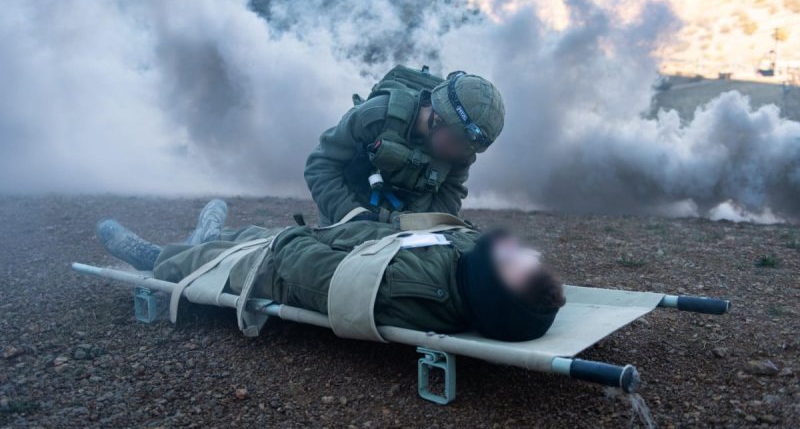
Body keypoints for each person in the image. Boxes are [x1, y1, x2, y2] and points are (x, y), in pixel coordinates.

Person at [95, 200, 565, 342]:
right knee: (249, 232)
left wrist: (292, 240)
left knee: (217, 260)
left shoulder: (419, 291)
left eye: (515, 261)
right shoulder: (469, 261)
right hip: (325, 239)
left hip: (278, 269)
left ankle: (154, 256)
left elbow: (315, 276)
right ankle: (208, 235)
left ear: (491, 290)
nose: (515, 249)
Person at [304, 65, 505, 225]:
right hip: (350, 216)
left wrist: (430, 228)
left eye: (466, 148)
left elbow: (451, 191)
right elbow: (320, 165)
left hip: (412, 229)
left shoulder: (464, 147)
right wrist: (351, 215)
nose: (458, 151)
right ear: (438, 118)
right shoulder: (376, 115)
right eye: (455, 141)